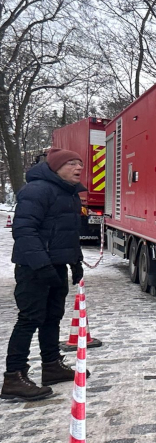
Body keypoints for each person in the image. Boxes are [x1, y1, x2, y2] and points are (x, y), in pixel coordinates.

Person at [2, 149, 89, 401]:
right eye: (72, 164)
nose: (78, 168)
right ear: (56, 167)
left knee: (53, 317)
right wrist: (41, 265)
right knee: (29, 319)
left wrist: (76, 262)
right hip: (33, 268)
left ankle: (51, 365)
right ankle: (13, 377)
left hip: (57, 266)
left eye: (80, 164)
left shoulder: (69, 194)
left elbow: (67, 234)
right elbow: (24, 230)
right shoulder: (37, 190)